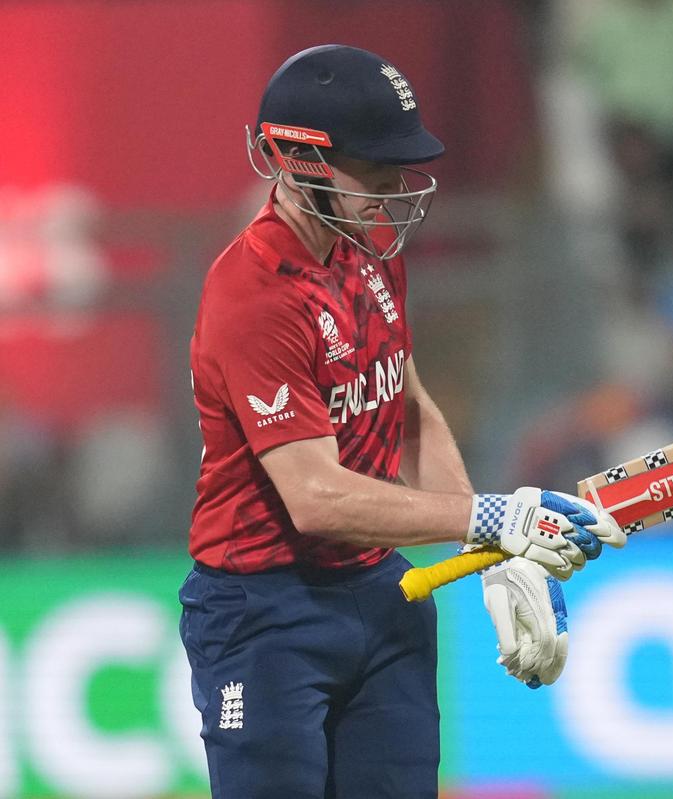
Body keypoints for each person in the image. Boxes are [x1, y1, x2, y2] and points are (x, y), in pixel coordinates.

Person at [180, 44, 625, 799]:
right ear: (301, 160)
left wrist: (487, 542)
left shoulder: (370, 248)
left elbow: (408, 409)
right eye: (375, 169)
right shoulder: (255, 295)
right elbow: (316, 497)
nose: (395, 189)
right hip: (264, 614)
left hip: (383, 595)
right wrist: (492, 514)